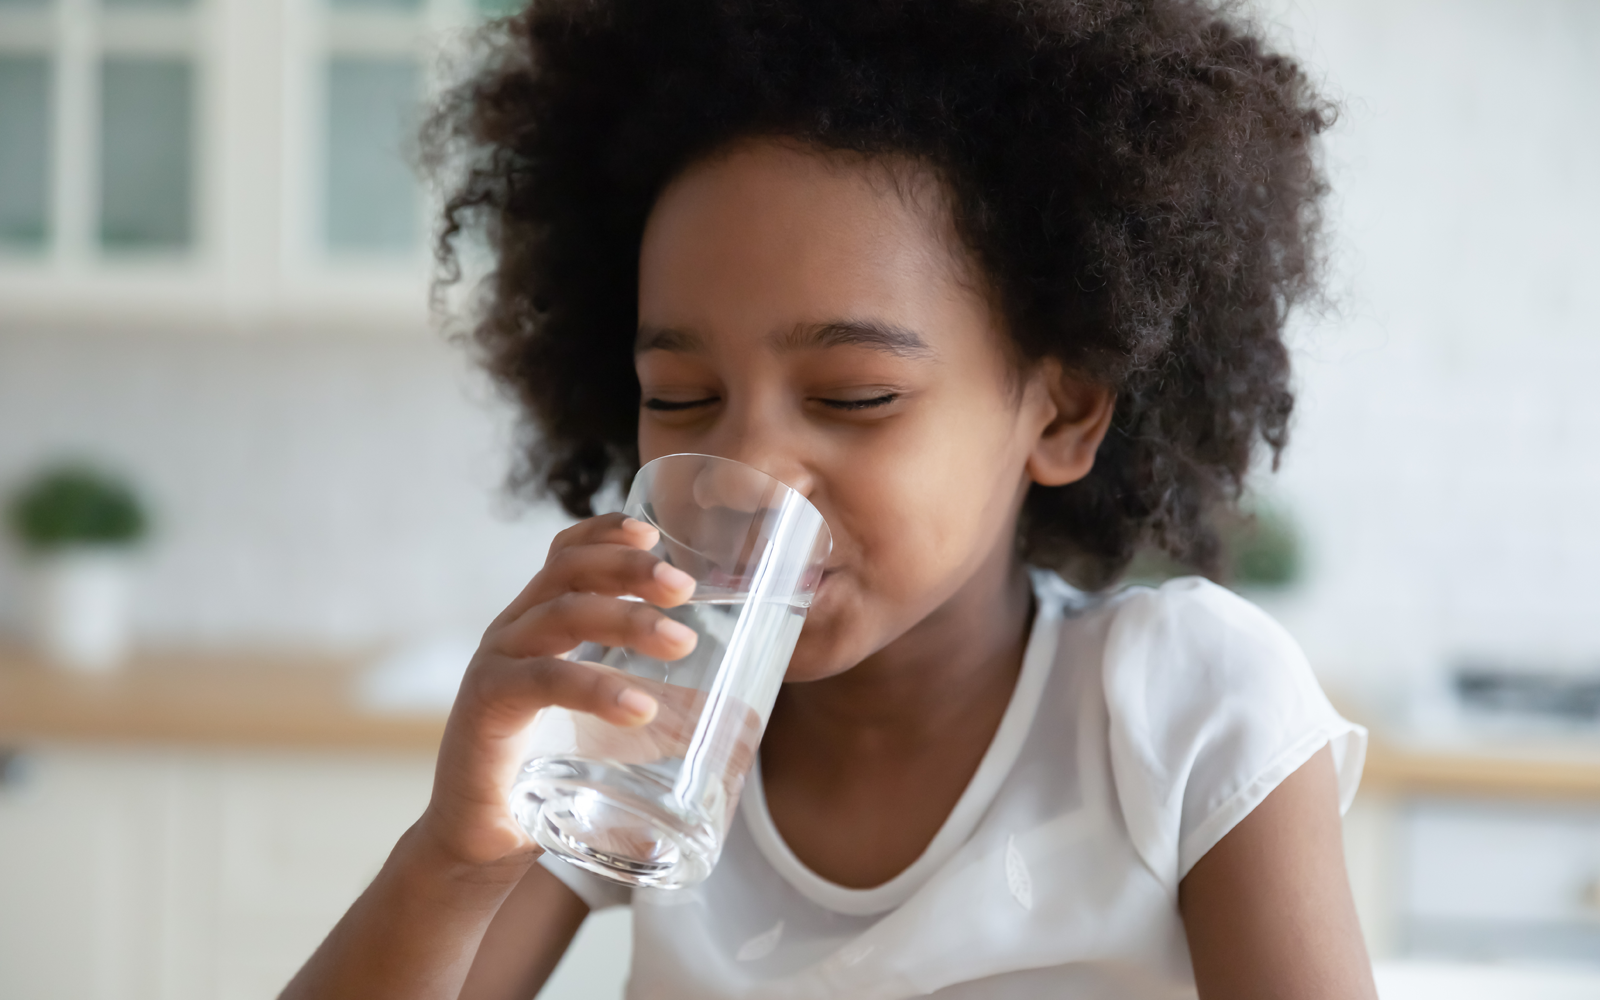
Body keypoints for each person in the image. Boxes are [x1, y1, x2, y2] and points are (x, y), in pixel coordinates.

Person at [282, 0, 1376, 997]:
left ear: (1061, 415)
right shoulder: (650, 729)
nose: (750, 468)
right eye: (683, 394)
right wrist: (457, 855)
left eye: (855, 397)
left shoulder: (1186, 708)